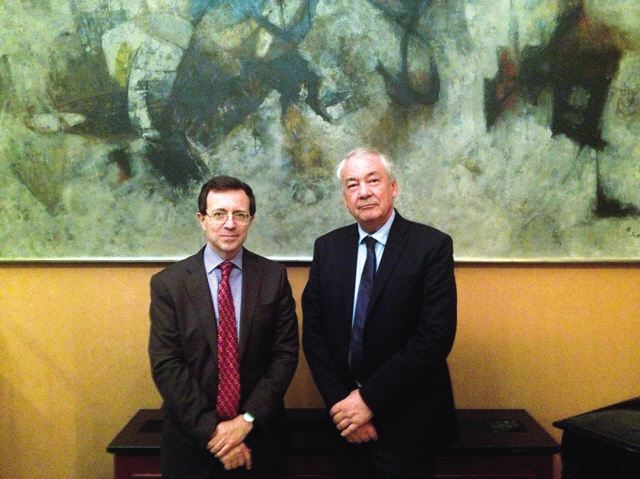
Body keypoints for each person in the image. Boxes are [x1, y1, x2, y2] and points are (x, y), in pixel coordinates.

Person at [302, 147, 459, 479]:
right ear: (344, 197)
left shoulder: (430, 246)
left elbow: (434, 338)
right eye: (352, 184)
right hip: (345, 426)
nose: (364, 192)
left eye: (373, 180)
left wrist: (368, 401)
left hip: (409, 426)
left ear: (393, 187)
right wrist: (344, 407)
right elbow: (314, 336)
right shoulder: (327, 248)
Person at [149, 175, 299, 478]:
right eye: (219, 214)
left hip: (259, 440)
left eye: (239, 215)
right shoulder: (169, 284)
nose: (229, 223)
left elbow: (285, 355)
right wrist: (215, 434)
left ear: (250, 220)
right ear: (202, 219)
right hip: (192, 443)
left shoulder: (273, 277)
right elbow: (167, 364)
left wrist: (245, 421)